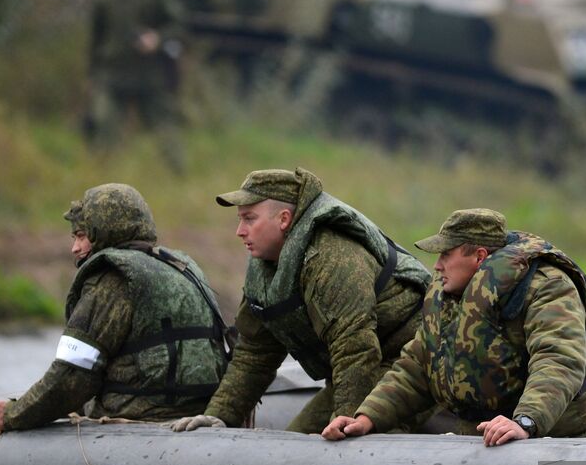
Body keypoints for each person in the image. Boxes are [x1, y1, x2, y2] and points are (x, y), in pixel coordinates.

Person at [168, 168, 431, 434]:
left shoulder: (331, 255)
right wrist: (220, 415)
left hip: (407, 364)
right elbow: (255, 352)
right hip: (365, 366)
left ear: (284, 219)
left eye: (249, 219)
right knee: (296, 441)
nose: (239, 231)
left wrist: (347, 422)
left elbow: (355, 346)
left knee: (337, 447)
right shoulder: (268, 267)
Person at [321, 208, 586, 446]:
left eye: (446, 254)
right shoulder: (449, 294)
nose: (437, 266)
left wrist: (526, 421)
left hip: (559, 436)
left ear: (479, 257)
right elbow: (417, 366)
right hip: (482, 435)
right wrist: (366, 417)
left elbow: (559, 361)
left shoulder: (548, 287)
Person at [0, 184, 228, 431]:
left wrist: (14, 413)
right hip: (197, 418)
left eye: (81, 236)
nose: (74, 248)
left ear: (102, 232)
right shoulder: (180, 268)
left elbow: (72, 377)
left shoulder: (112, 280)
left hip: (139, 424)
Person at [85, 0, 184, 172]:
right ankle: (100, 175)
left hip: (148, 74)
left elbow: (178, 25)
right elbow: (96, 40)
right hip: (114, 75)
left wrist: (156, 39)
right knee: (105, 125)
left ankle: (178, 173)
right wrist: (92, 74)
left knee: (163, 126)